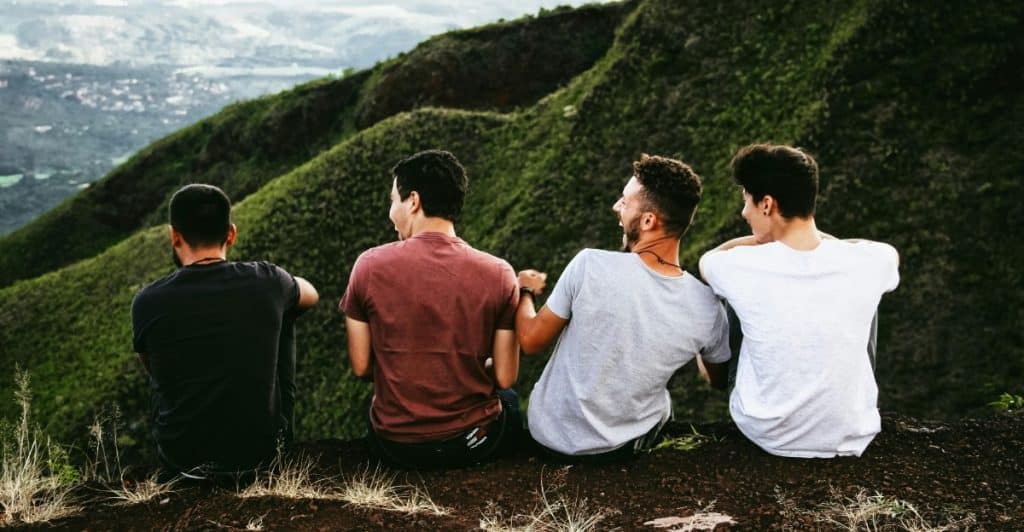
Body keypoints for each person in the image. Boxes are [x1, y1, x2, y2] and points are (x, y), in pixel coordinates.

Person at [516, 154, 732, 462]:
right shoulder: (708, 307)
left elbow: (530, 341)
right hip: (621, 449)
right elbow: (717, 380)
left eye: (624, 202)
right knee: (663, 402)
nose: (616, 207)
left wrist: (524, 290)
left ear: (648, 221)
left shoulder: (589, 265)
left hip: (548, 437)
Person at [699, 143, 900, 458]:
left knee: (732, 297)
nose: (743, 213)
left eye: (746, 202)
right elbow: (879, 251)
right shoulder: (873, 261)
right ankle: (838, 404)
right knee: (862, 295)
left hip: (767, 432)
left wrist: (761, 240)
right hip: (849, 434)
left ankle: (728, 385)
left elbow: (709, 260)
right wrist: (820, 242)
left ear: (767, 204)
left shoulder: (735, 265)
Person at [340, 149, 521, 469]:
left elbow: (362, 366)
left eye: (393, 200)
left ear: (413, 201)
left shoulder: (368, 266)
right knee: (510, 401)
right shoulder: (500, 273)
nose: (390, 212)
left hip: (395, 445)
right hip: (471, 443)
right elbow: (505, 376)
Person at [131, 184, 319, 478]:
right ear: (231, 233)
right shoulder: (267, 280)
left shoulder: (147, 301)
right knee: (287, 310)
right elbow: (311, 294)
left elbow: (155, 370)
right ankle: (280, 442)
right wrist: (279, 287)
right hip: (258, 454)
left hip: (181, 458)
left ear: (174, 235)